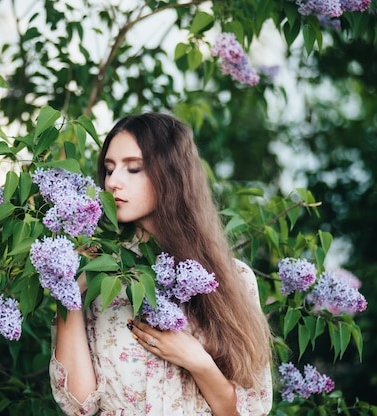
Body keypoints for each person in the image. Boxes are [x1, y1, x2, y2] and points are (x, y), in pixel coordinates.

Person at [49, 112, 273, 415]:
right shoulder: (98, 276)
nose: (113, 182)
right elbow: (80, 406)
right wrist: (71, 294)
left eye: (134, 168)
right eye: (109, 168)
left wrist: (198, 362)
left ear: (171, 174)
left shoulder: (235, 279)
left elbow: (251, 410)